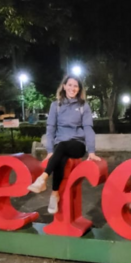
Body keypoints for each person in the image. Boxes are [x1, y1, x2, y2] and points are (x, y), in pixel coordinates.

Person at [27, 76, 100, 214]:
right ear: (64, 86)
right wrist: (49, 150)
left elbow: (88, 128)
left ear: (79, 89)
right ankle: (54, 194)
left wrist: (91, 151)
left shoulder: (83, 106)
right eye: (70, 85)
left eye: (76, 86)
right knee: (60, 158)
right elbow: (50, 128)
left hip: (77, 145)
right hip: (61, 145)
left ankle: (43, 179)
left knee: (61, 147)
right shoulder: (56, 105)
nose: (73, 88)